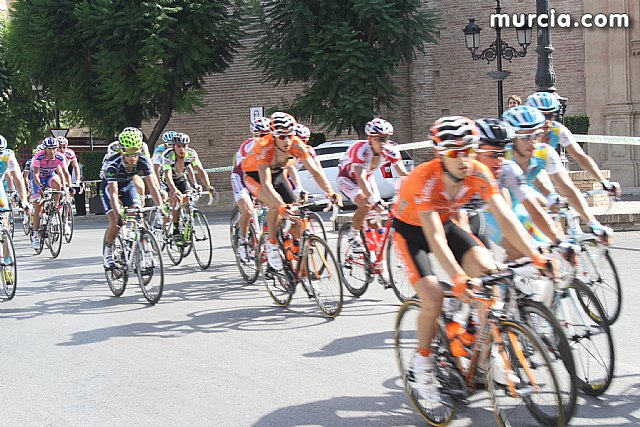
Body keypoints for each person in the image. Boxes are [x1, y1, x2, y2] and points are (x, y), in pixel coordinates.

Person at [392, 115, 549, 403]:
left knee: (492, 274)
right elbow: (435, 238)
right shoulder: (423, 179)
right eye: (454, 152)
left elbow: (505, 217)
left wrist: (534, 254)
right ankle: (423, 364)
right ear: (440, 154)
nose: (463, 159)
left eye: (469, 150)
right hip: (412, 231)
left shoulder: (478, 171)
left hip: (446, 223)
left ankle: (493, 354)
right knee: (432, 296)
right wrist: (458, 277)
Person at [241, 112, 342, 271]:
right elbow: (266, 184)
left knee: (296, 217)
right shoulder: (263, 147)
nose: (287, 140)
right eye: (282, 137)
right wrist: (280, 204)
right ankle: (272, 245)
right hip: (255, 177)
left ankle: (297, 258)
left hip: (278, 173)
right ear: (273, 136)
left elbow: (315, 171)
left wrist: (330, 193)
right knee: (276, 206)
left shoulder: (296, 145)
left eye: (290, 135)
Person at [502, 105, 613, 242]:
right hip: (501, 202)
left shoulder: (545, 148)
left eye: (536, 135)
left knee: (556, 239)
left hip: (528, 183)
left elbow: (570, 185)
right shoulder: (502, 159)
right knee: (521, 244)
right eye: (525, 137)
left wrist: (593, 223)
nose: (532, 142)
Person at [472, 118, 567, 254]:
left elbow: (533, 209)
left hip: (501, 212)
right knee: (519, 251)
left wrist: (559, 242)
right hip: (479, 216)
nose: (499, 161)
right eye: (493, 154)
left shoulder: (509, 168)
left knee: (546, 253)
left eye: (502, 154)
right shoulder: (462, 174)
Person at [526, 91, 621, 198]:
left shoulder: (556, 129)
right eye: (542, 116)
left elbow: (580, 157)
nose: (548, 121)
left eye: (551, 115)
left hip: (537, 173)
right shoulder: (522, 135)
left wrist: (603, 182)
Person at [338, 118, 408, 253]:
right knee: (366, 204)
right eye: (379, 139)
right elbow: (360, 176)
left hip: (367, 178)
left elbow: (404, 174)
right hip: (348, 179)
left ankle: (374, 259)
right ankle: (353, 234)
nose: (383, 143)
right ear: (370, 138)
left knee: (375, 219)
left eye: (385, 138)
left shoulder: (390, 150)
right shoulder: (359, 149)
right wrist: (373, 199)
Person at [101, 129, 164, 269]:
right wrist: (118, 215)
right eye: (129, 154)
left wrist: (160, 208)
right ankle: (108, 252)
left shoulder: (142, 160)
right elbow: (113, 193)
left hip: (128, 185)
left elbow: (152, 186)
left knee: (138, 214)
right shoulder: (112, 164)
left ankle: (142, 251)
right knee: (116, 223)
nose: (133, 158)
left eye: (135, 153)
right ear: (122, 151)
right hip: (110, 187)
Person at [161, 132, 217, 244]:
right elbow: (167, 175)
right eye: (179, 146)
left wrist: (208, 186)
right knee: (176, 200)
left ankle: (187, 221)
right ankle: (176, 230)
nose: (182, 149)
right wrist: (174, 190)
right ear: (173, 146)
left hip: (181, 178)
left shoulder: (191, 154)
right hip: (168, 180)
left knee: (188, 199)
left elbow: (200, 170)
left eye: (184, 146)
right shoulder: (168, 155)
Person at [231, 116, 270, 262]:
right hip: (241, 177)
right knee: (247, 209)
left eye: (267, 134)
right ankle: (242, 241)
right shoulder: (248, 146)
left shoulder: (273, 146)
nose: (263, 138)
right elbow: (248, 174)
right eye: (259, 135)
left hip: (258, 177)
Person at [30, 137, 72, 250]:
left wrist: (68, 186)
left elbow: (64, 173)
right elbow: (35, 175)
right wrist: (40, 187)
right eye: (50, 149)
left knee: (58, 184)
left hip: (49, 176)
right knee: (38, 206)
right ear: (45, 149)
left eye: (54, 148)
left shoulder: (59, 156)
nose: (53, 151)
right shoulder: (38, 156)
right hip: (38, 178)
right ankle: (35, 235)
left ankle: (55, 209)